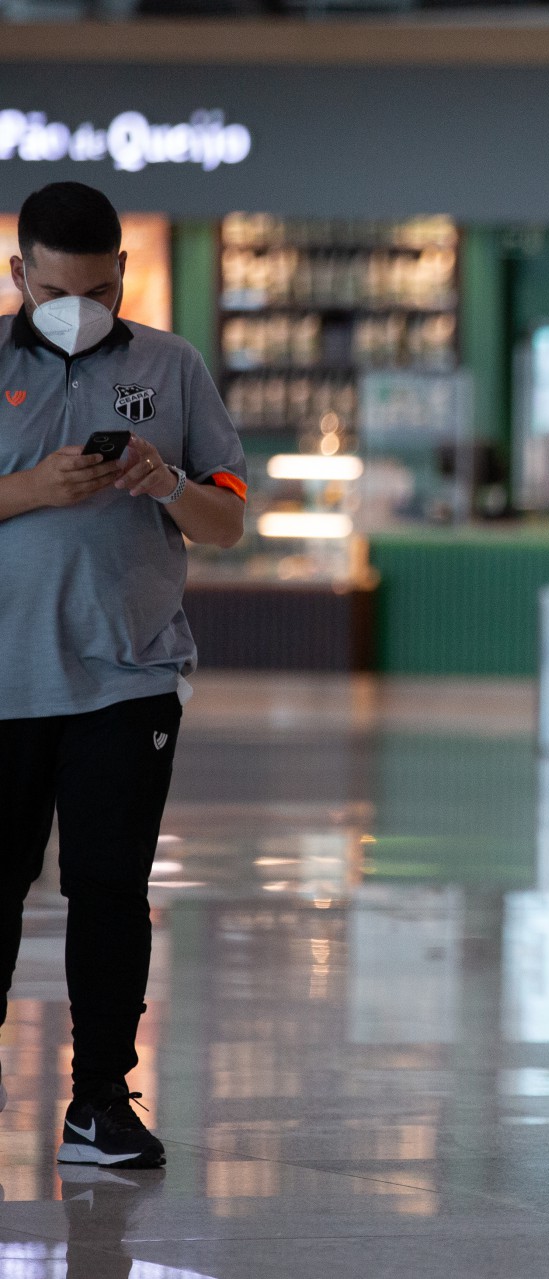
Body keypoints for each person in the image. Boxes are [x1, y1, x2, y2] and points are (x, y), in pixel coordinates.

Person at [0, 182, 248, 1169]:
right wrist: (28, 489)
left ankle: (99, 1101)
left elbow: (227, 519)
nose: (79, 308)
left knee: (110, 889)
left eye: (99, 291)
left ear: (124, 275)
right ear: (19, 274)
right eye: (57, 290)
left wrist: (167, 483)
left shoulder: (171, 366)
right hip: (6, 678)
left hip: (128, 673)